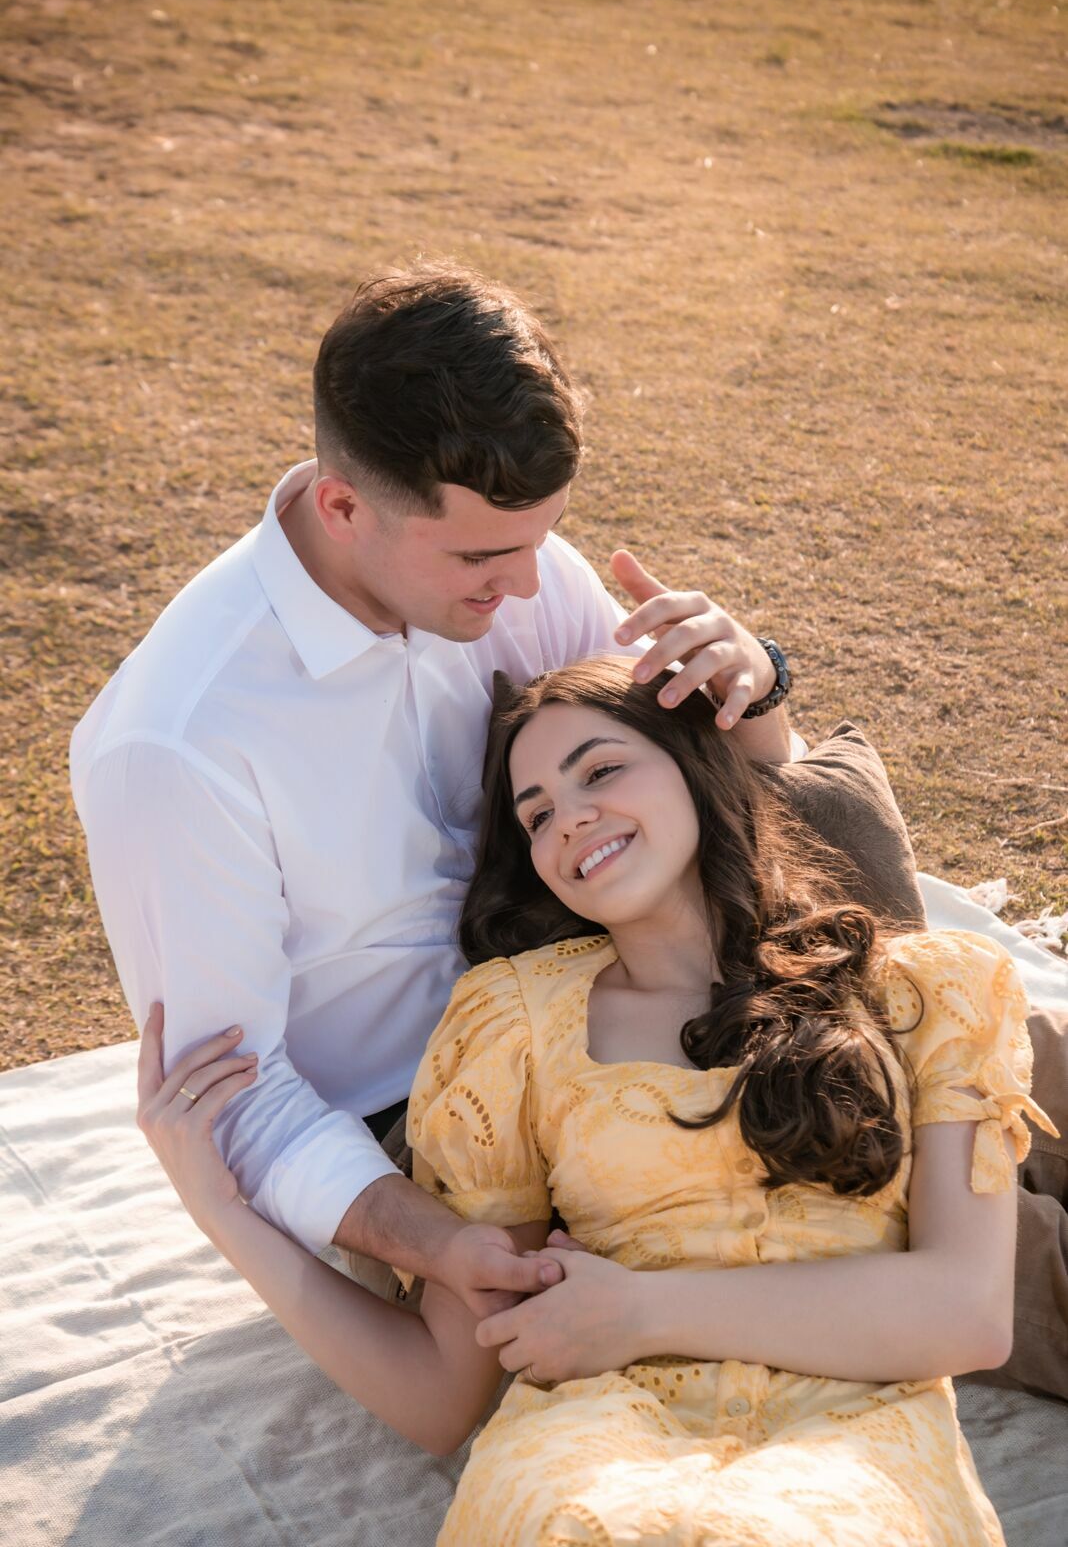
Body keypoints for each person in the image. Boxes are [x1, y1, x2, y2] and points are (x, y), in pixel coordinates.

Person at [70, 259, 858, 1315]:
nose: (530, 585)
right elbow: (229, 1094)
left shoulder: (508, 570)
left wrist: (753, 681)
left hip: (640, 1007)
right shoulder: (175, 747)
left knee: (983, 1077)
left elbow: (695, 799)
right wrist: (439, 1242)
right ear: (345, 505)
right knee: (898, 1213)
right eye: (489, 554)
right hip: (422, 1136)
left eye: (540, 538)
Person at [138, 658, 1057, 1545]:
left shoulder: (927, 992)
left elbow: (964, 1314)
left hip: (856, 1448)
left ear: (698, 770)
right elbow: (437, 1397)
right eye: (535, 815)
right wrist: (225, 1212)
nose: (569, 821)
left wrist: (643, 1311)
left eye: (602, 771)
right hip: (591, 1453)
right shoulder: (513, 1027)